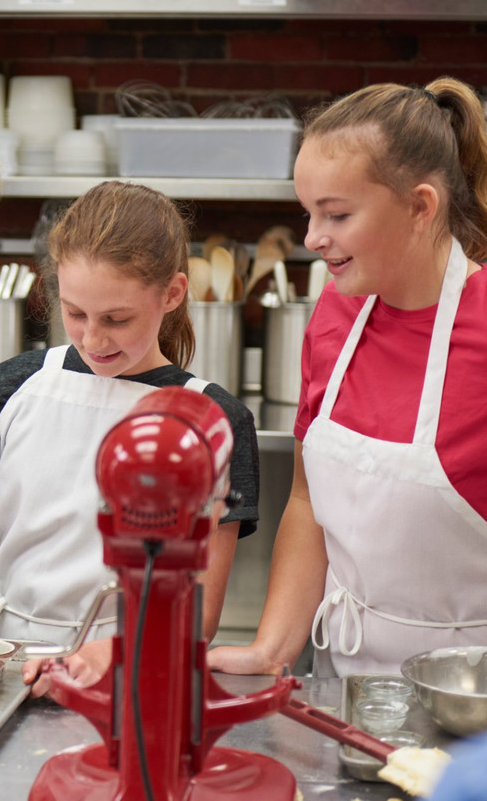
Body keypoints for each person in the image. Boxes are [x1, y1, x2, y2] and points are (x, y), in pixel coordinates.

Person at [0, 181, 260, 662]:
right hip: (4, 652)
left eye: (117, 318)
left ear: (172, 293)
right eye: (75, 313)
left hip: (132, 662)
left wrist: (107, 657)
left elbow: (198, 615)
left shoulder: (216, 421)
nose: (93, 338)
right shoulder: (17, 384)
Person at [208, 77, 487, 679]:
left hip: (471, 708)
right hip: (344, 688)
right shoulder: (336, 315)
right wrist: (272, 649)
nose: (312, 238)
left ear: (420, 206)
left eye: (336, 214)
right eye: (308, 213)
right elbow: (310, 501)